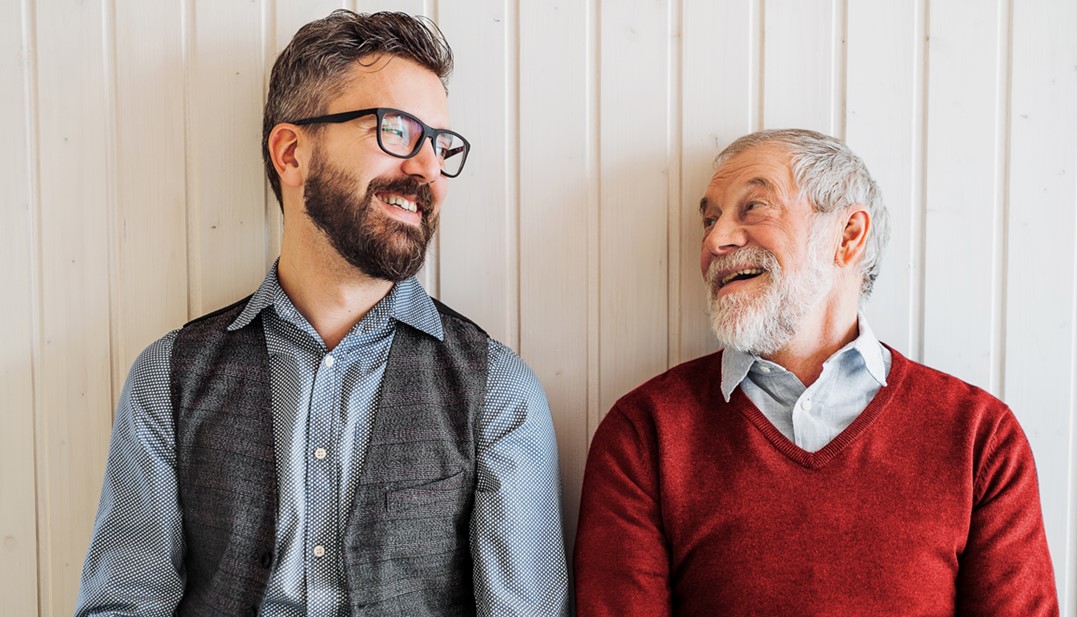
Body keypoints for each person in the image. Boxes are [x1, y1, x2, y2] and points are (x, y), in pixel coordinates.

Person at [76, 10, 568, 616]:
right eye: (395, 132)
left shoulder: (497, 391)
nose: (427, 171)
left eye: (441, 146)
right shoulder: (168, 378)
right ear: (290, 153)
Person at [574, 129, 1058, 616]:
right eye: (709, 220)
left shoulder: (979, 436)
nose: (714, 242)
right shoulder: (645, 432)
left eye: (753, 207)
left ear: (847, 236)